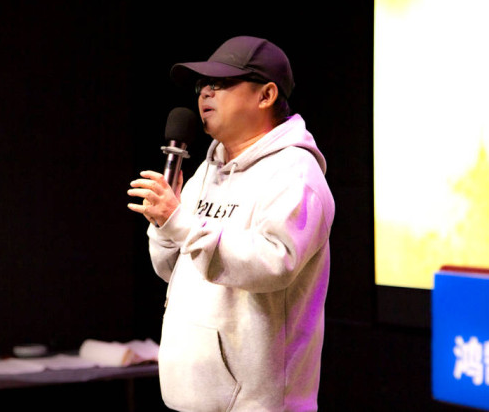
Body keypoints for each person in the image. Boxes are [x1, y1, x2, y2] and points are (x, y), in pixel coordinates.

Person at [127, 36, 335, 412]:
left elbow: (274, 264)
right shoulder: (208, 170)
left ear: (266, 95)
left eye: (221, 83)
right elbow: (175, 270)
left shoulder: (294, 173)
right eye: (201, 86)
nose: (205, 93)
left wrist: (180, 224)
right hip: (191, 400)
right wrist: (164, 226)